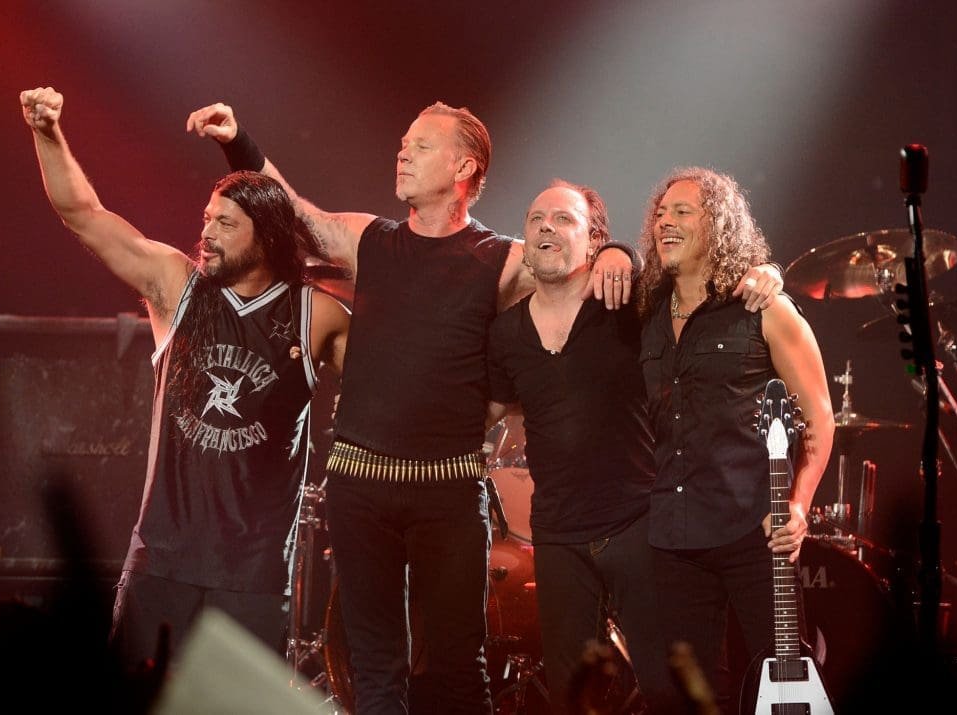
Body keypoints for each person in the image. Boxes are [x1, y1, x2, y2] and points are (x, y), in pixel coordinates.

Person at [185, 103, 781, 714]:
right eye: (403, 142)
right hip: (360, 486)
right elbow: (299, 216)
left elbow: (569, 256)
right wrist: (240, 144)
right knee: (373, 667)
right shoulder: (373, 239)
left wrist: (618, 252)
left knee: (460, 670)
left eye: (419, 145)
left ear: (463, 165)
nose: (402, 153)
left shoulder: (501, 255)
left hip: (453, 493)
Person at [20, 87, 350, 683]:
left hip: (252, 577)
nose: (208, 232)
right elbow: (86, 215)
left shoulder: (314, 315)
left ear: (267, 236)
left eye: (227, 223)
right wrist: (48, 132)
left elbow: (392, 387)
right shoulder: (179, 286)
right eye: (206, 219)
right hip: (161, 567)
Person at [485, 180, 784, 713]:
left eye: (563, 219)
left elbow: (701, 280)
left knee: (671, 688)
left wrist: (767, 273)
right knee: (570, 697)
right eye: (535, 220)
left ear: (595, 240)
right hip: (556, 537)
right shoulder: (506, 334)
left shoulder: (629, 302)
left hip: (639, 525)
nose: (546, 227)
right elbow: (488, 413)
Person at [635, 167, 835, 713]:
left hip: (754, 531)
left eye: (682, 212)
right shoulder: (646, 315)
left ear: (718, 224)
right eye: (660, 212)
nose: (665, 222)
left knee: (783, 689)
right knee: (686, 695)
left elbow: (819, 416)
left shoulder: (763, 308)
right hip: (674, 537)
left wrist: (799, 504)